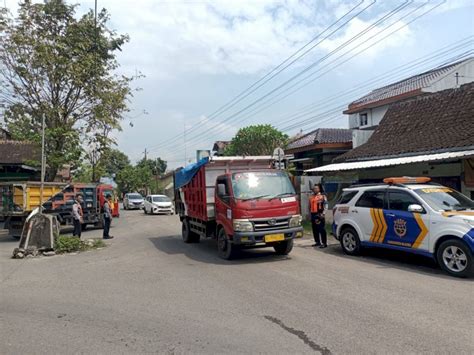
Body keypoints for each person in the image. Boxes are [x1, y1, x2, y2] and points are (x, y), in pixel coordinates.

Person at [309, 184, 328, 248]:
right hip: (313, 214)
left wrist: (323, 213)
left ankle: (324, 243)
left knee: (321, 229)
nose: (315, 189)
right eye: (314, 188)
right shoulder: (311, 197)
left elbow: (326, 205)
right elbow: (309, 206)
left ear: (319, 189)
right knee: (314, 229)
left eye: (316, 188)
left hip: (319, 214)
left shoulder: (322, 196)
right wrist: (309, 215)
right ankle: (317, 242)